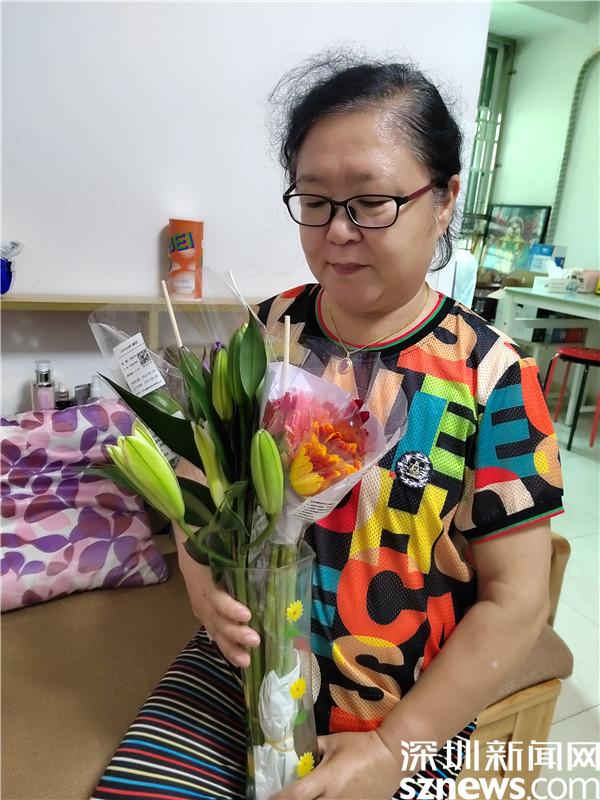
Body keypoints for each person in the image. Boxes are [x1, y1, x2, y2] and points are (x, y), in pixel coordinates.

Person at [93, 54, 564, 800]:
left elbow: (518, 601)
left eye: (371, 202)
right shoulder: (267, 333)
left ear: (445, 199)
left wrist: (393, 750)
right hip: (239, 676)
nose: (337, 231)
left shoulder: (494, 378)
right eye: (314, 201)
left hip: (402, 713)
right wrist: (199, 580)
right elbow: (196, 481)